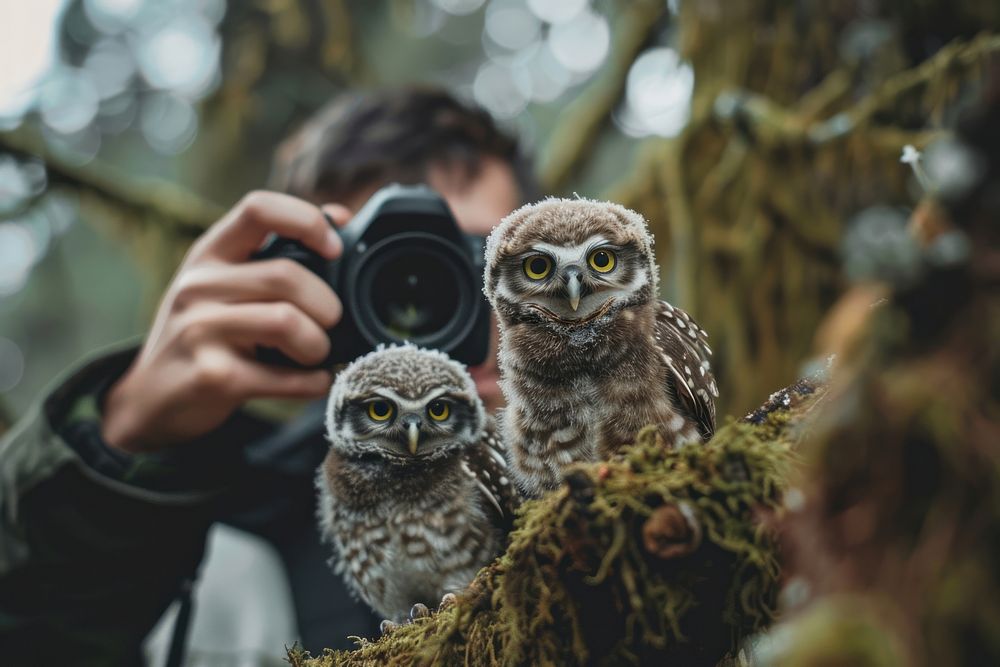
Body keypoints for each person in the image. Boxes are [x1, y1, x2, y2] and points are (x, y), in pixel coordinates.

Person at [0, 86, 533, 664]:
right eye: (386, 267)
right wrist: (121, 444)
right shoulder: (222, 554)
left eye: (482, 258)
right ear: (310, 283)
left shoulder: (633, 464)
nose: (447, 308)